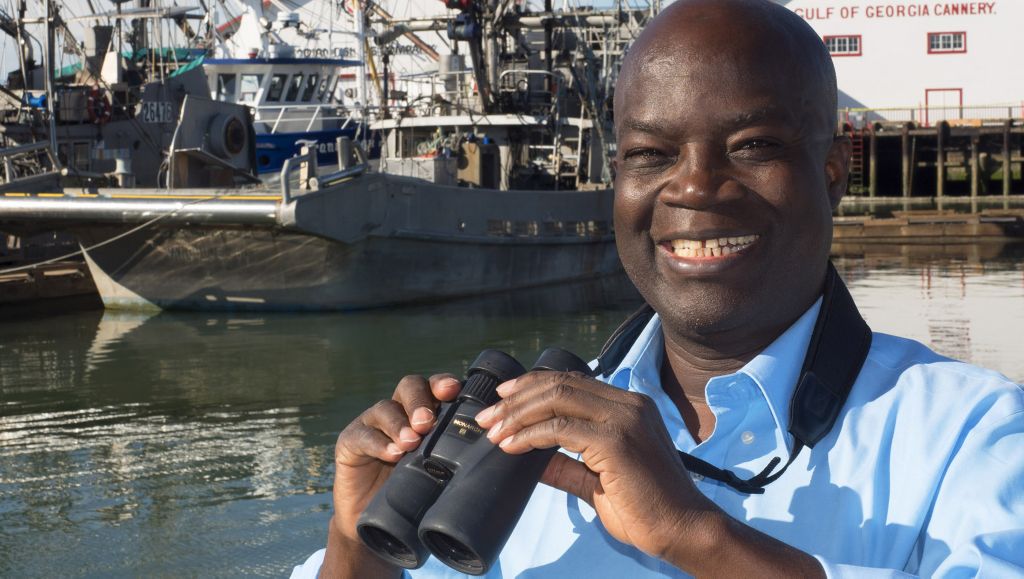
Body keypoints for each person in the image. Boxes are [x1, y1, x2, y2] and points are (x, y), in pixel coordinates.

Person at [293, 0, 1024, 576]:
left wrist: (694, 535)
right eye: (651, 154)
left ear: (832, 174)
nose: (696, 185)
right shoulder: (509, 443)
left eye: (753, 146)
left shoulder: (972, 433)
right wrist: (356, 552)